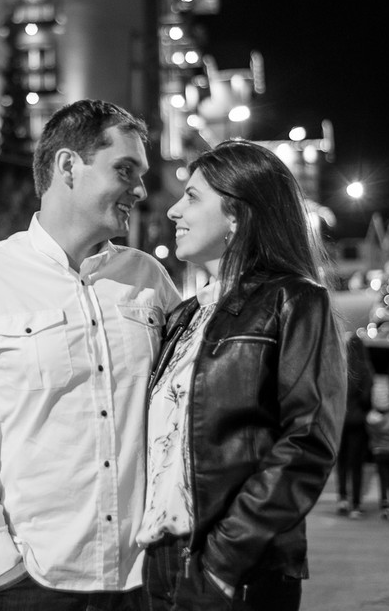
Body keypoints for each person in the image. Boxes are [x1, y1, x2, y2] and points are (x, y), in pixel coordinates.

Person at [0, 99, 182, 610]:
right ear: (68, 166)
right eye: (125, 170)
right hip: (36, 581)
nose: (140, 189)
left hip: (145, 581)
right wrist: (0, 560)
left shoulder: (148, 279)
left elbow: (188, 403)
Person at [139, 140, 345, 611]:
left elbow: (308, 440)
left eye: (192, 197)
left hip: (237, 564)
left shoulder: (293, 300)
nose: (173, 210)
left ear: (236, 214)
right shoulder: (186, 315)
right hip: (161, 559)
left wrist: (225, 559)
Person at [336, 333, 374, 518]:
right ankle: (356, 504)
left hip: (340, 419)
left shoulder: (340, 367)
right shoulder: (365, 369)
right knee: (356, 463)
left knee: (342, 461)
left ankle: (342, 498)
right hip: (358, 421)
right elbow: (367, 398)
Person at [365, 376, 389, 520]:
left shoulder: (371, 419)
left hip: (379, 451)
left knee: (383, 478)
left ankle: (384, 504)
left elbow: (369, 433)